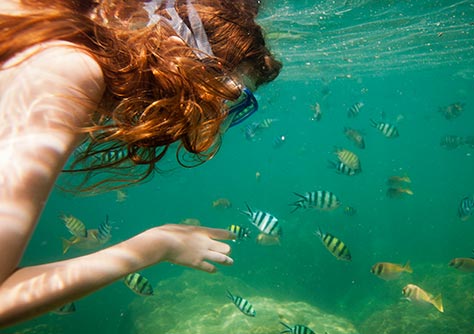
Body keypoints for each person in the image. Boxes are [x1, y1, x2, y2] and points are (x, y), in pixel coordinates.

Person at [0, 0, 282, 328]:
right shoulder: (71, 71)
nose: (217, 116)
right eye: (228, 95)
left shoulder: (77, 62)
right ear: (187, 62)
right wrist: (155, 246)